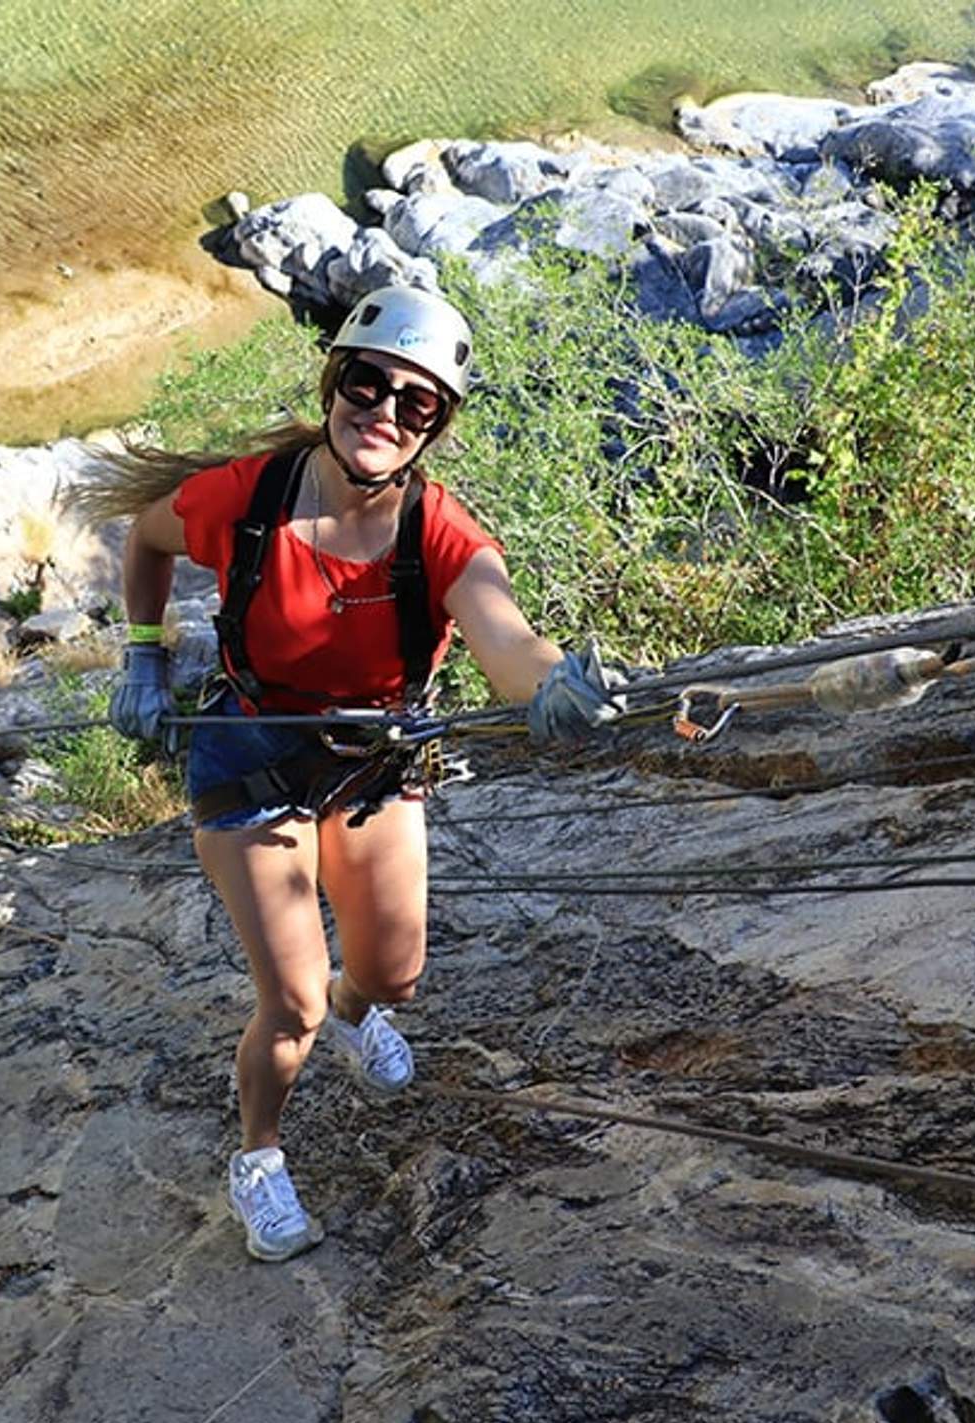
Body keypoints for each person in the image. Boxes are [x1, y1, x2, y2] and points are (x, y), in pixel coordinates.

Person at [78, 285, 622, 1263]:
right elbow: (147, 541)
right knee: (291, 1005)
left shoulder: (441, 532)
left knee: (392, 975)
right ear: (333, 385)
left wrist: (548, 687)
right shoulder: (247, 497)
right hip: (252, 750)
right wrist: (145, 657)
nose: (383, 413)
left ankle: (357, 1006)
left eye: (416, 404)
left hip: (374, 759)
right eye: (367, 385)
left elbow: (505, 636)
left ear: (437, 428)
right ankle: (258, 1157)